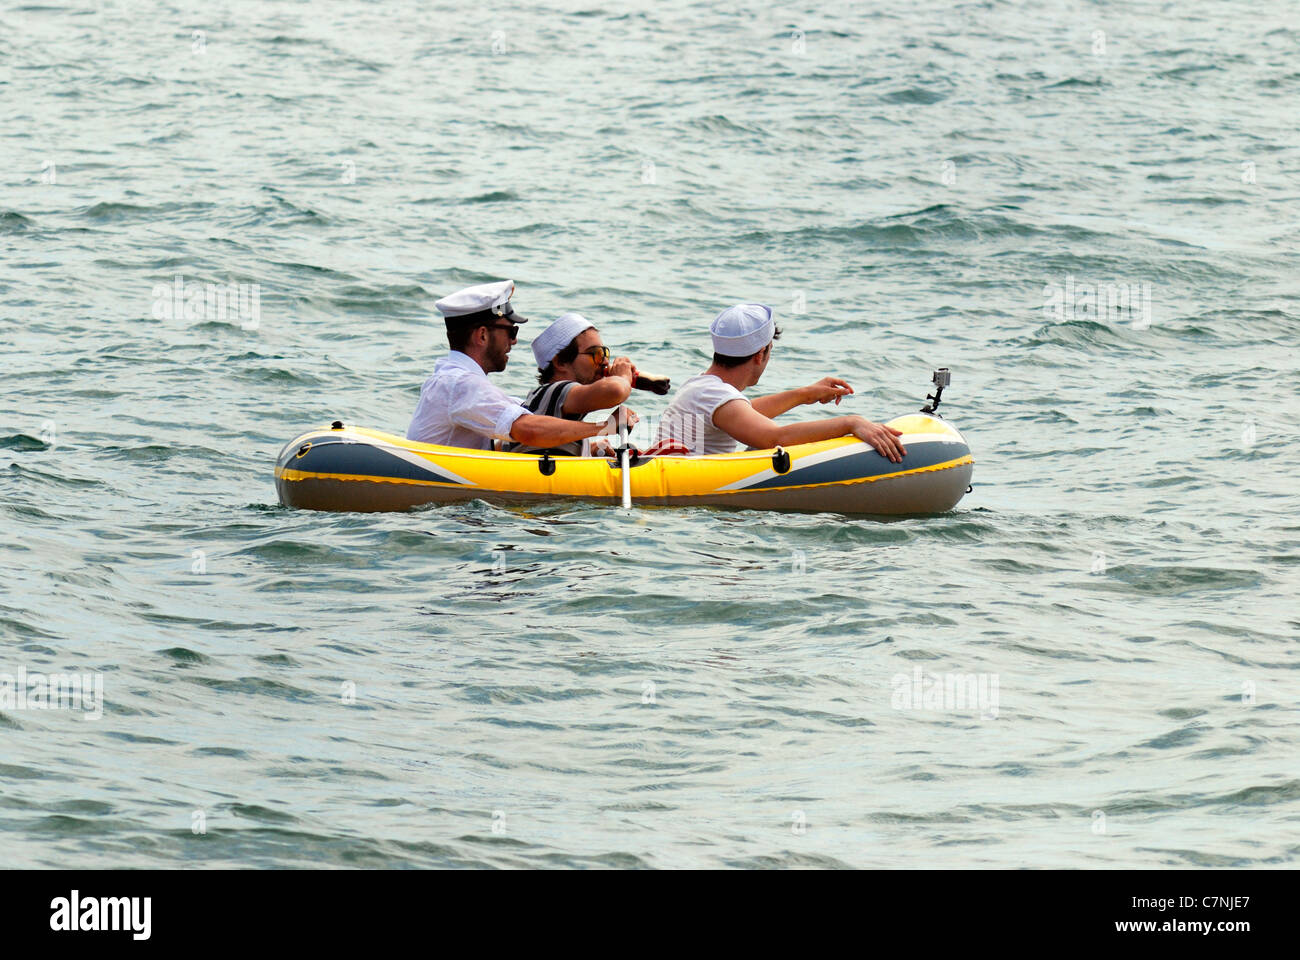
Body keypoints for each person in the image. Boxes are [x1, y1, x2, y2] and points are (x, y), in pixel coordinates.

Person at [655, 303, 907, 461]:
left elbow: (742, 412)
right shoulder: (713, 395)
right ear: (760, 354)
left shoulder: (700, 385)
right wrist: (851, 422)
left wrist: (805, 395)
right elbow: (775, 438)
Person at [406, 280, 624, 451]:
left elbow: (503, 443)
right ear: (482, 335)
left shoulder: (455, 379)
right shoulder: (461, 383)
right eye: (511, 331)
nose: (514, 341)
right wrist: (604, 428)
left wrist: (586, 446)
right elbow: (528, 431)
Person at [504, 312, 640, 456]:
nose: (605, 362)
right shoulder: (556, 391)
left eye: (604, 353)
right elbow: (615, 390)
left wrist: (586, 450)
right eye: (596, 354)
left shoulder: (541, 400)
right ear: (560, 362)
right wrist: (623, 376)